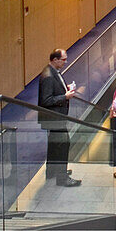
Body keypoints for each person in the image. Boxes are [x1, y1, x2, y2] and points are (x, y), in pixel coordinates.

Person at [37, 49, 81, 187]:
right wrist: (65, 97)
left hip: (55, 118)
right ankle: (62, 177)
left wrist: (64, 89)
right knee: (63, 144)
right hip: (54, 118)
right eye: (63, 59)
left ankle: (52, 171)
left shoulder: (52, 72)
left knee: (54, 144)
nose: (65, 62)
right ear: (55, 60)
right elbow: (46, 100)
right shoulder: (49, 76)